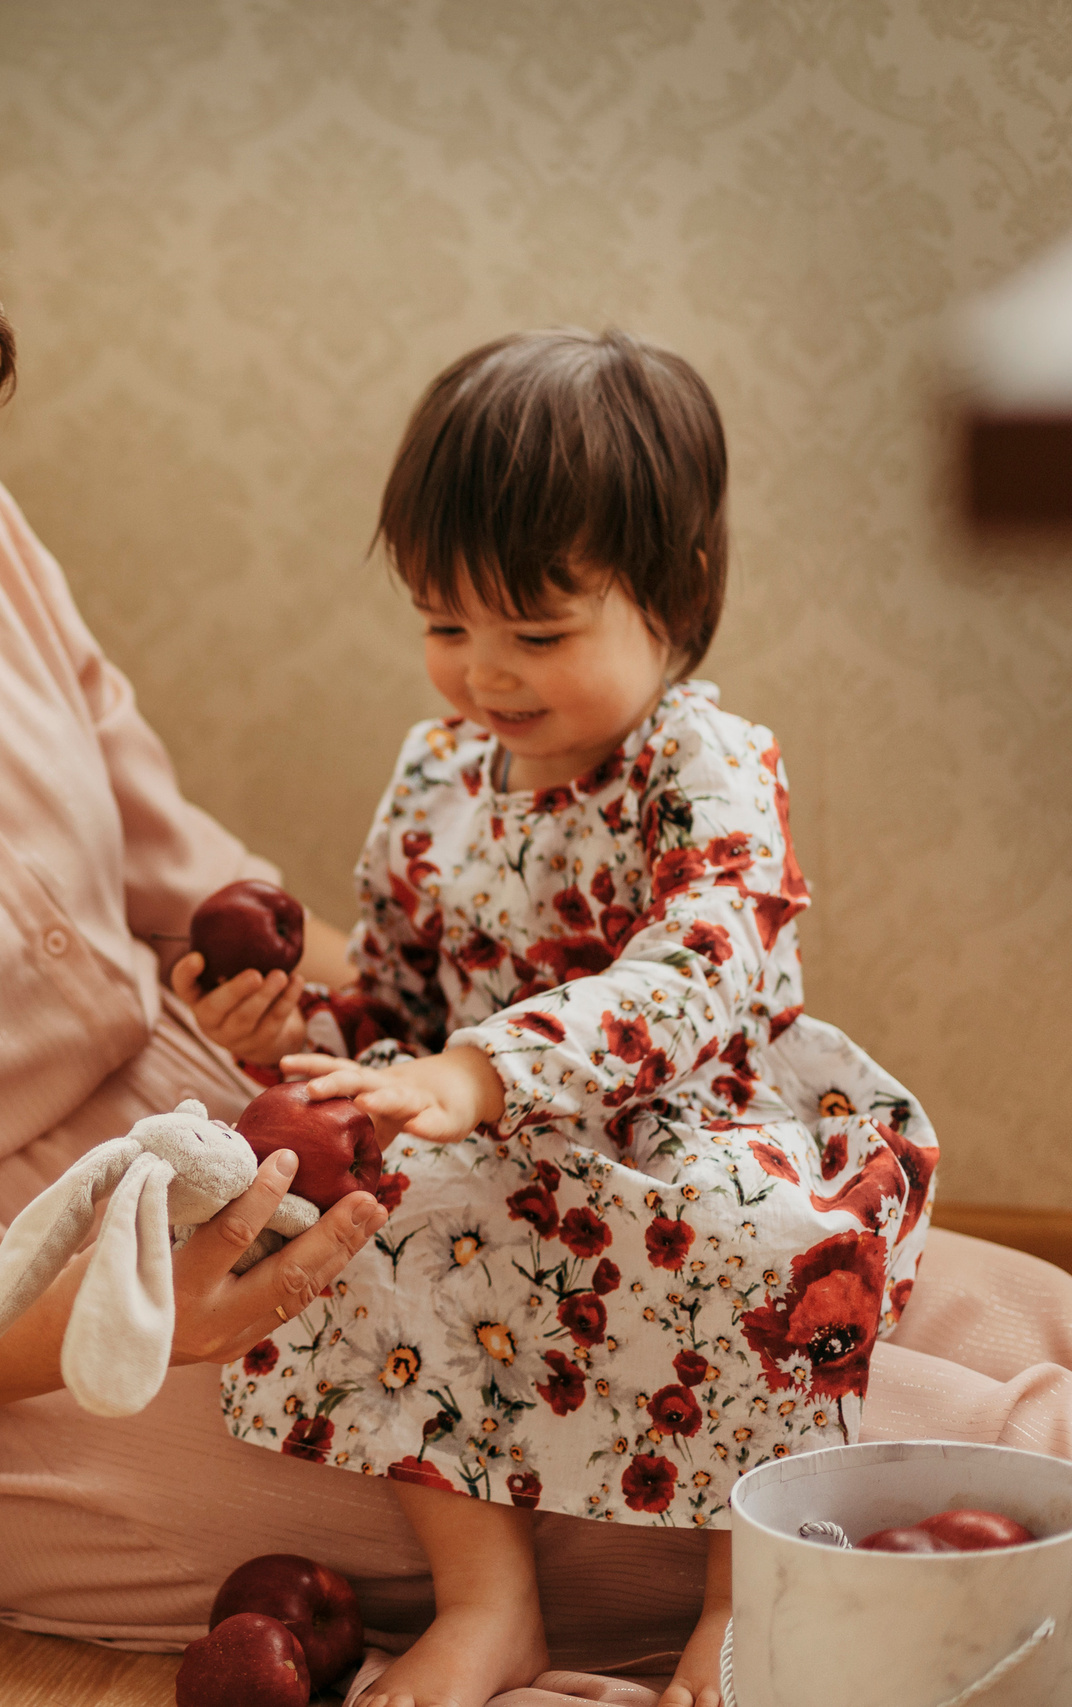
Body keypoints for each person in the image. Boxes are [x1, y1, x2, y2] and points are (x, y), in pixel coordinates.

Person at [0, 88, 1072, 1693]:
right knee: (879, 1450)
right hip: (15, 1343)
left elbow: (183, 872)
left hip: (244, 1141)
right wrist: (116, 1321)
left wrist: (338, 1021)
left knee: (946, 1301)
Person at [231, 330, 926, 1707]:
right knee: (365, 1205)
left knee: (773, 1249)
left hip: (696, 1114)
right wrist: (303, 1025)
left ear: (679, 595)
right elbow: (405, 988)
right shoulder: (437, 771)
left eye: (536, 632)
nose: (483, 673)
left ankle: (745, 1604)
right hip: (497, 1125)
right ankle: (491, 1604)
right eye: (444, 625)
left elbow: (696, 968)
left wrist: (490, 1070)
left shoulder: (706, 766)